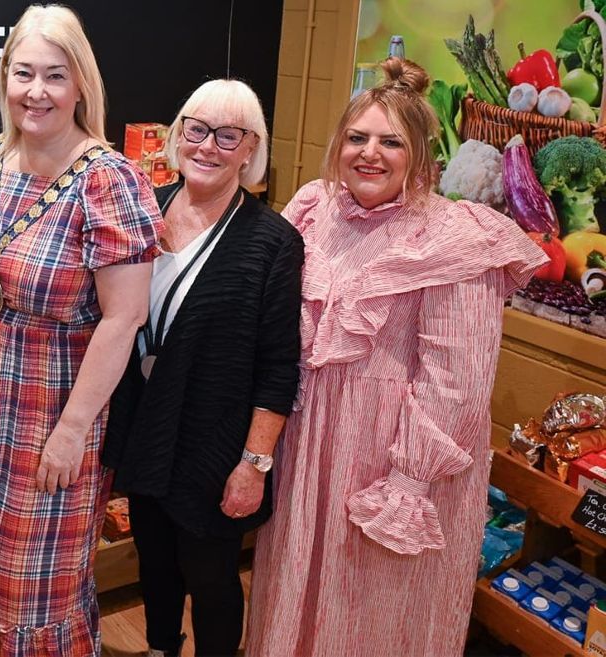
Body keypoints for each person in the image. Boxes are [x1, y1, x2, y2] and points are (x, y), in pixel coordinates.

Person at [245, 58, 548, 656]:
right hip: (308, 442)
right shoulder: (313, 208)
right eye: (357, 138)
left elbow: (455, 384)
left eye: (391, 142)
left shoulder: (457, 238)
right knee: (294, 584)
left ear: (421, 155)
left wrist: (409, 480)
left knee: (370, 604)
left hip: (388, 454)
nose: (370, 154)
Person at [0, 4, 164, 655]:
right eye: (24, 73)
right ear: (5, 78)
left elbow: (124, 316)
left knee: (30, 587)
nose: (37, 91)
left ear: (81, 84)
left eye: (55, 75)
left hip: (49, 418)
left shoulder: (109, 180)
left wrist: (71, 432)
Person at [103, 79, 302, 657]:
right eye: (196, 129)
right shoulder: (145, 209)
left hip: (216, 444)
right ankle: (163, 647)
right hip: (148, 427)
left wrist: (254, 464)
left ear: (251, 149)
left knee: (211, 577)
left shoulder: (274, 242)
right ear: (177, 134)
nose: (207, 146)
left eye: (228, 135)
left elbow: (279, 364)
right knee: (156, 564)